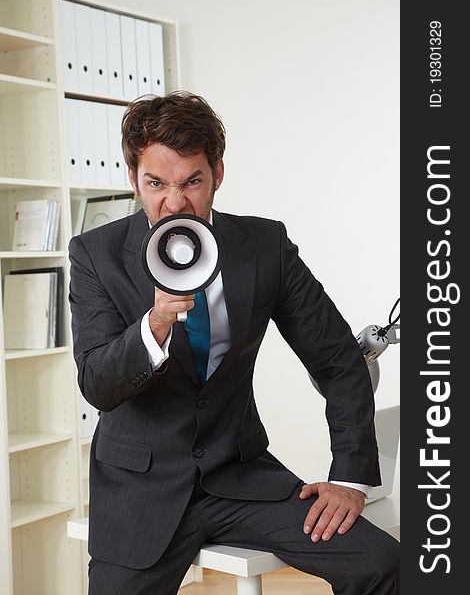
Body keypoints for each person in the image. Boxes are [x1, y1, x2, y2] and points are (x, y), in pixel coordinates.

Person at [68, 91, 399, 594]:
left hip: (241, 478)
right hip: (141, 490)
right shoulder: (97, 255)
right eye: (156, 183)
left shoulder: (265, 247)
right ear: (133, 178)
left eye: (192, 182)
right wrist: (156, 322)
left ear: (218, 175)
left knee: (384, 563)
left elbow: (337, 359)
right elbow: (97, 383)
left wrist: (350, 476)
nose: (174, 203)